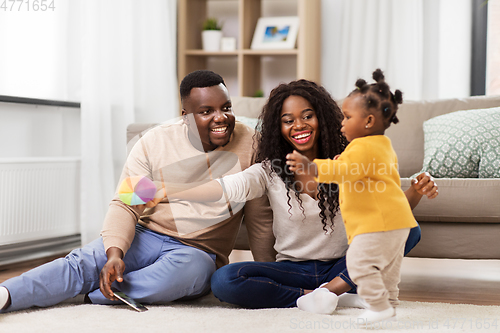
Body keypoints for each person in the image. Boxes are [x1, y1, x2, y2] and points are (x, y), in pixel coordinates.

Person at [154, 79, 437, 314]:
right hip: (293, 271)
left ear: (322, 117)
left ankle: (332, 290)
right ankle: (319, 296)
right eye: (288, 121)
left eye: (307, 116)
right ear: (279, 128)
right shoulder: (270, 170)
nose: (298, 125)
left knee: (408, 229)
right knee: (225, 280)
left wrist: (415, 191)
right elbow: (226, 187)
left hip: (346, 262)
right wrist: (172, 190)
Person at [0, 70, 275, 313]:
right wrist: (115, 254)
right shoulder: (155, 141)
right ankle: (7, 295)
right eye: (206, 111)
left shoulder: (251, 143)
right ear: (186, 117)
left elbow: (259, 217)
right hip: (146, 234)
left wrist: (270, 272)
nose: (221, 117)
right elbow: (126, 203)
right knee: (84, 261)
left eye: (226, 107)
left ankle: (93, 296)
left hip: (198, 252)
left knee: (186, 274)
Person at [286, 69, 438, 324]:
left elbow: (342, 171)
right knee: (389, 270)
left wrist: (310, 166)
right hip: (398, 223)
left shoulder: (360, 147)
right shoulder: (382, 146)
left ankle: (378, 305)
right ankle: (387, 303)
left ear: (367, 121)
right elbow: (356, 171)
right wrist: (343, 162)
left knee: (358, 263)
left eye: (346, 117)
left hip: (375, 226)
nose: (341, 123)